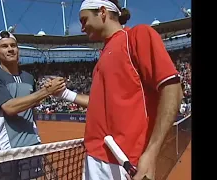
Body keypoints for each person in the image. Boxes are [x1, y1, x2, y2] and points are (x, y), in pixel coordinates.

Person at [46, 0, 183, 179]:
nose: (82, 28)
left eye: (84, 20)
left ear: (102, 12)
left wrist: (151, 154)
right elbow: (99, 104)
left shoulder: (137, 35)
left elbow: (173, 88)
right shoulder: (103, 55)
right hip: (95, 157)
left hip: (126, 160)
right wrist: (64, 94)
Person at [0, 30, 65, 180]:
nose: (10, 49)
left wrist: (47, 89)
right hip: (4, 150)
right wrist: (46, 91)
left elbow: (31, 104)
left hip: (31, 146)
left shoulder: (29, 77)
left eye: (13, 45)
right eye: (4, 46)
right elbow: (9, 108)